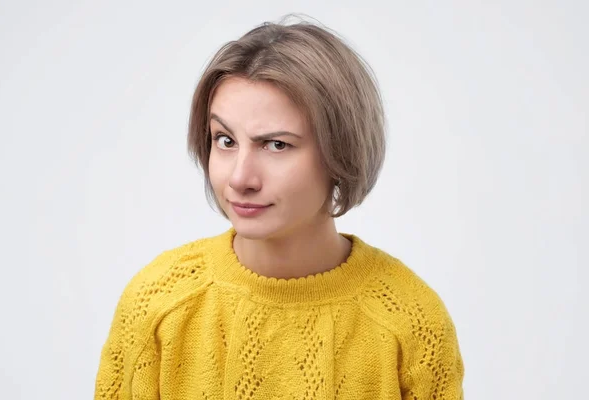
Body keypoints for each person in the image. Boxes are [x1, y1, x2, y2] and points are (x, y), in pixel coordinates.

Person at [94, 17, 465, 400]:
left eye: (276, 145)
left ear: (341, 151)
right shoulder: (157, 304)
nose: (240, 178)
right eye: (225, 140)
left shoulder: (411, 322)